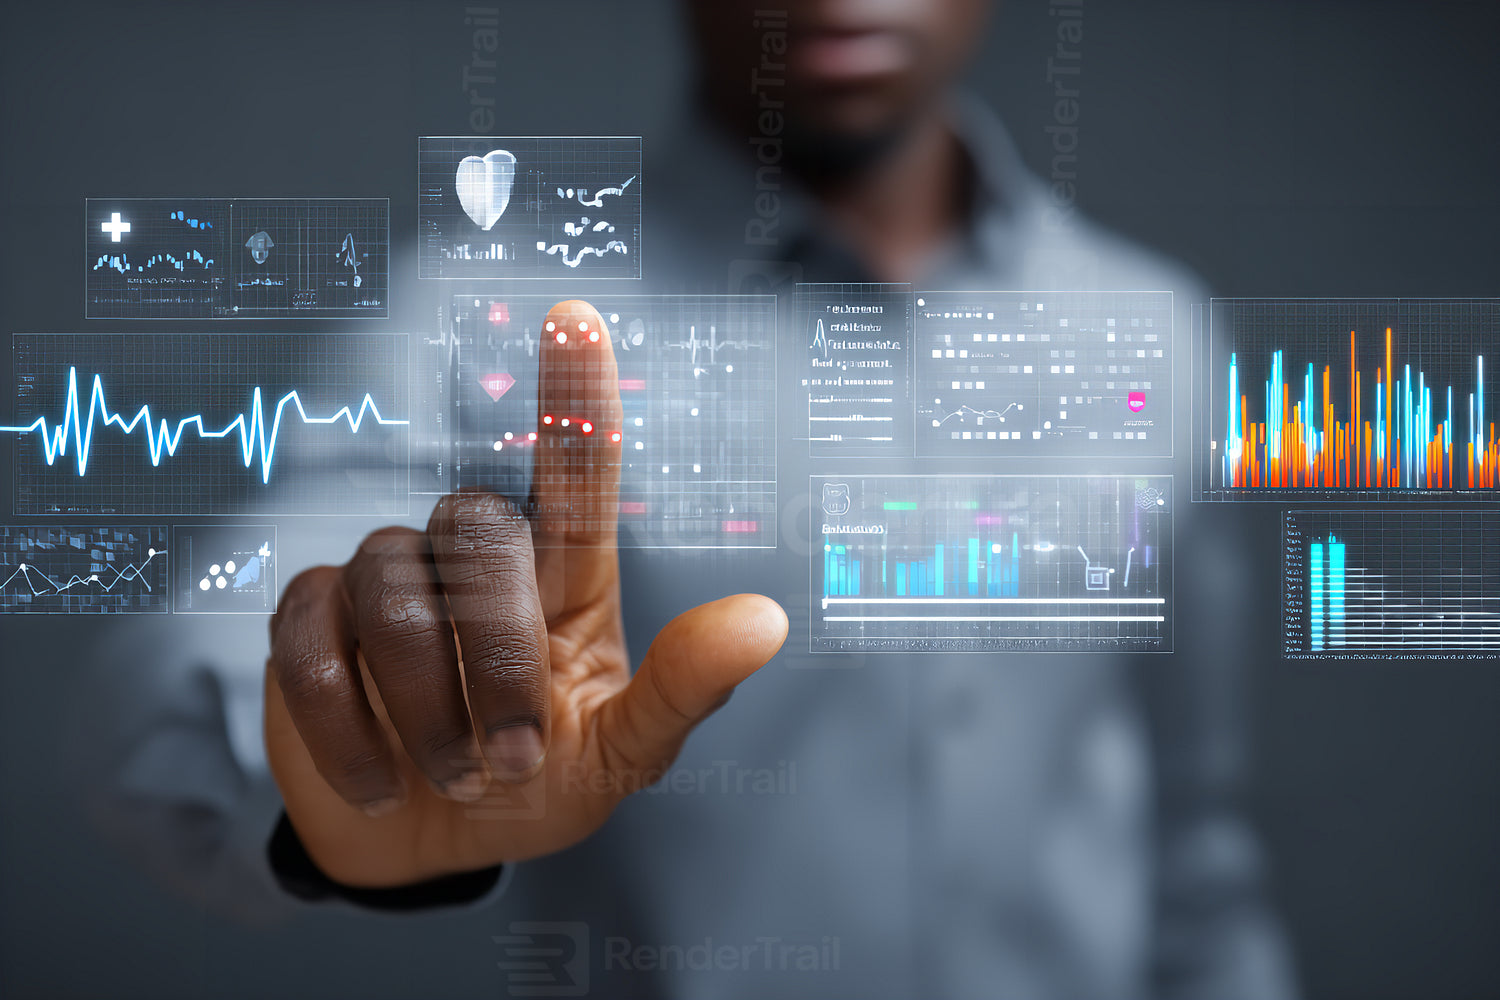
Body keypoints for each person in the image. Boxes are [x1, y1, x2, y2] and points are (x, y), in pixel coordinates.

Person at [92, 0, 1298, 995]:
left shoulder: (1157, 333)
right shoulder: (489, 316)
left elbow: (1194, 838)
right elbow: (233, 627)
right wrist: (333, 745)